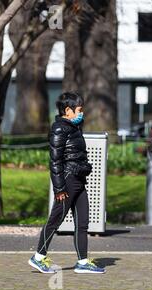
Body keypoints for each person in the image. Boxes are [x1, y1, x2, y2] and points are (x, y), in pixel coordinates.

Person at [28, 92, 105, 274]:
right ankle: (38, 257)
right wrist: (59, 187)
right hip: (67, 182)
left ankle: (83, 262)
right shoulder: (59, 128)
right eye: (79, 110)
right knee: (56, 220)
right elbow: (55, 162)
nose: (82, 113)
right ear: (68, 110)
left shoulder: (74, 128)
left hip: (79, 181)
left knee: (83, 222)